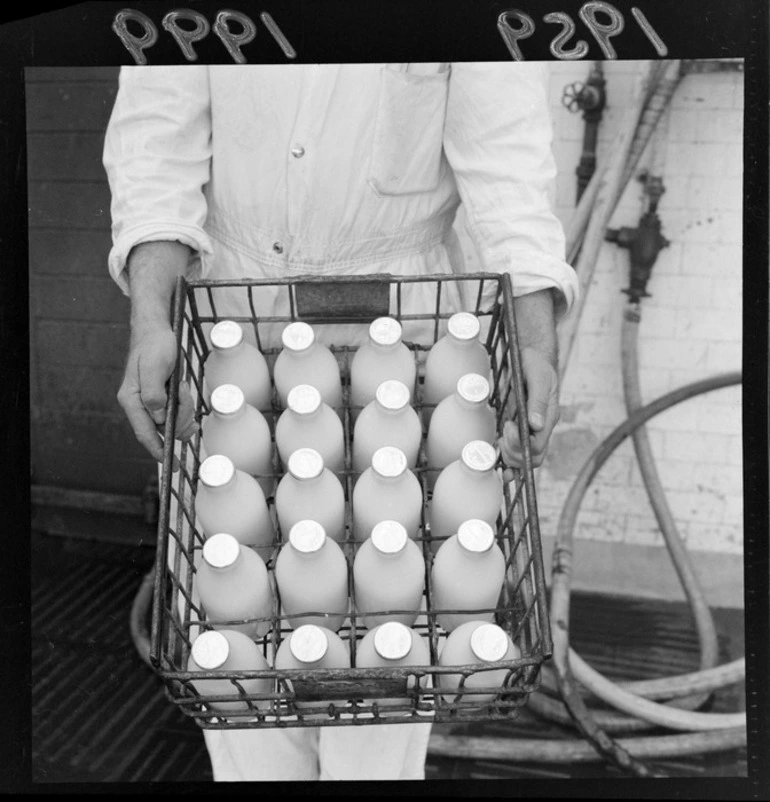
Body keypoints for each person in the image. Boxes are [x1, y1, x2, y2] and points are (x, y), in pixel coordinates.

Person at [103, 61, 579, 783]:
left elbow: (507, 161)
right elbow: (156, 145)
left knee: (391, 689)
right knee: (241, 691)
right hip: (234, 331)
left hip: (410, 339)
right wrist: (149, 317)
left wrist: (533, 342)